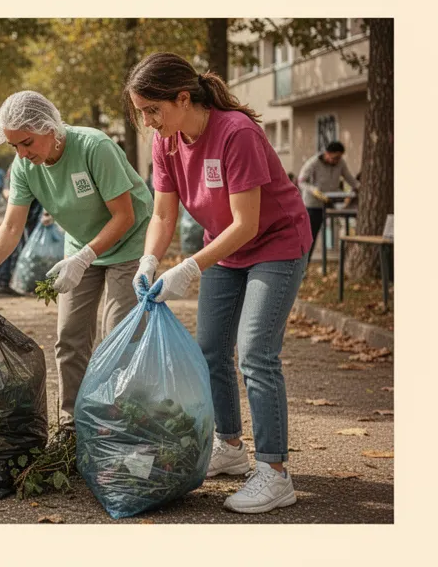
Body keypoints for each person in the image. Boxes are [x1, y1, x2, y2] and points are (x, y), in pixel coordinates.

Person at [125, 52, 311, 515]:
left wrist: (190, 268)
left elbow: (247, 223)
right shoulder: (166, 142)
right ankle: (229, 446)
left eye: (153, 110)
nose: (148, 121)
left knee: (255, 352)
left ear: (183, 98)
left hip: (276, 243)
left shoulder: (236, 133)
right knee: (210, 349)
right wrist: (151, 257)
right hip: (227, 248)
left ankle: (275, 473)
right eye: (141, 112)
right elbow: (164, 212)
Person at [0, 91, 153, 453]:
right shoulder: (24, 166)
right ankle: (72, 427)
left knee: (118, 335)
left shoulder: (93, 147)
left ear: (50, 128)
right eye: (14, 146)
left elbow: (125, 216)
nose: (22, 153)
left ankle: (119, 425)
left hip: (128, 243)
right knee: (69, 337)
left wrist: (85, 257)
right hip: (79, 247)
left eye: (27, 142)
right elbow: (11, 226)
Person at [297, 141, 359, 257]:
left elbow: (349, 178)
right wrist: (313, 190)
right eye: (334, 158)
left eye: (339, 158)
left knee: (345, 226)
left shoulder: (340, 163)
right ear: (327, 153)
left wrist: (359, 187)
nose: (336, 161)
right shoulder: (313, 163)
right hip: (313, 203)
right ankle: (305, 265)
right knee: (311, 236)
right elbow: (301, 181)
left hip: (331, 200)